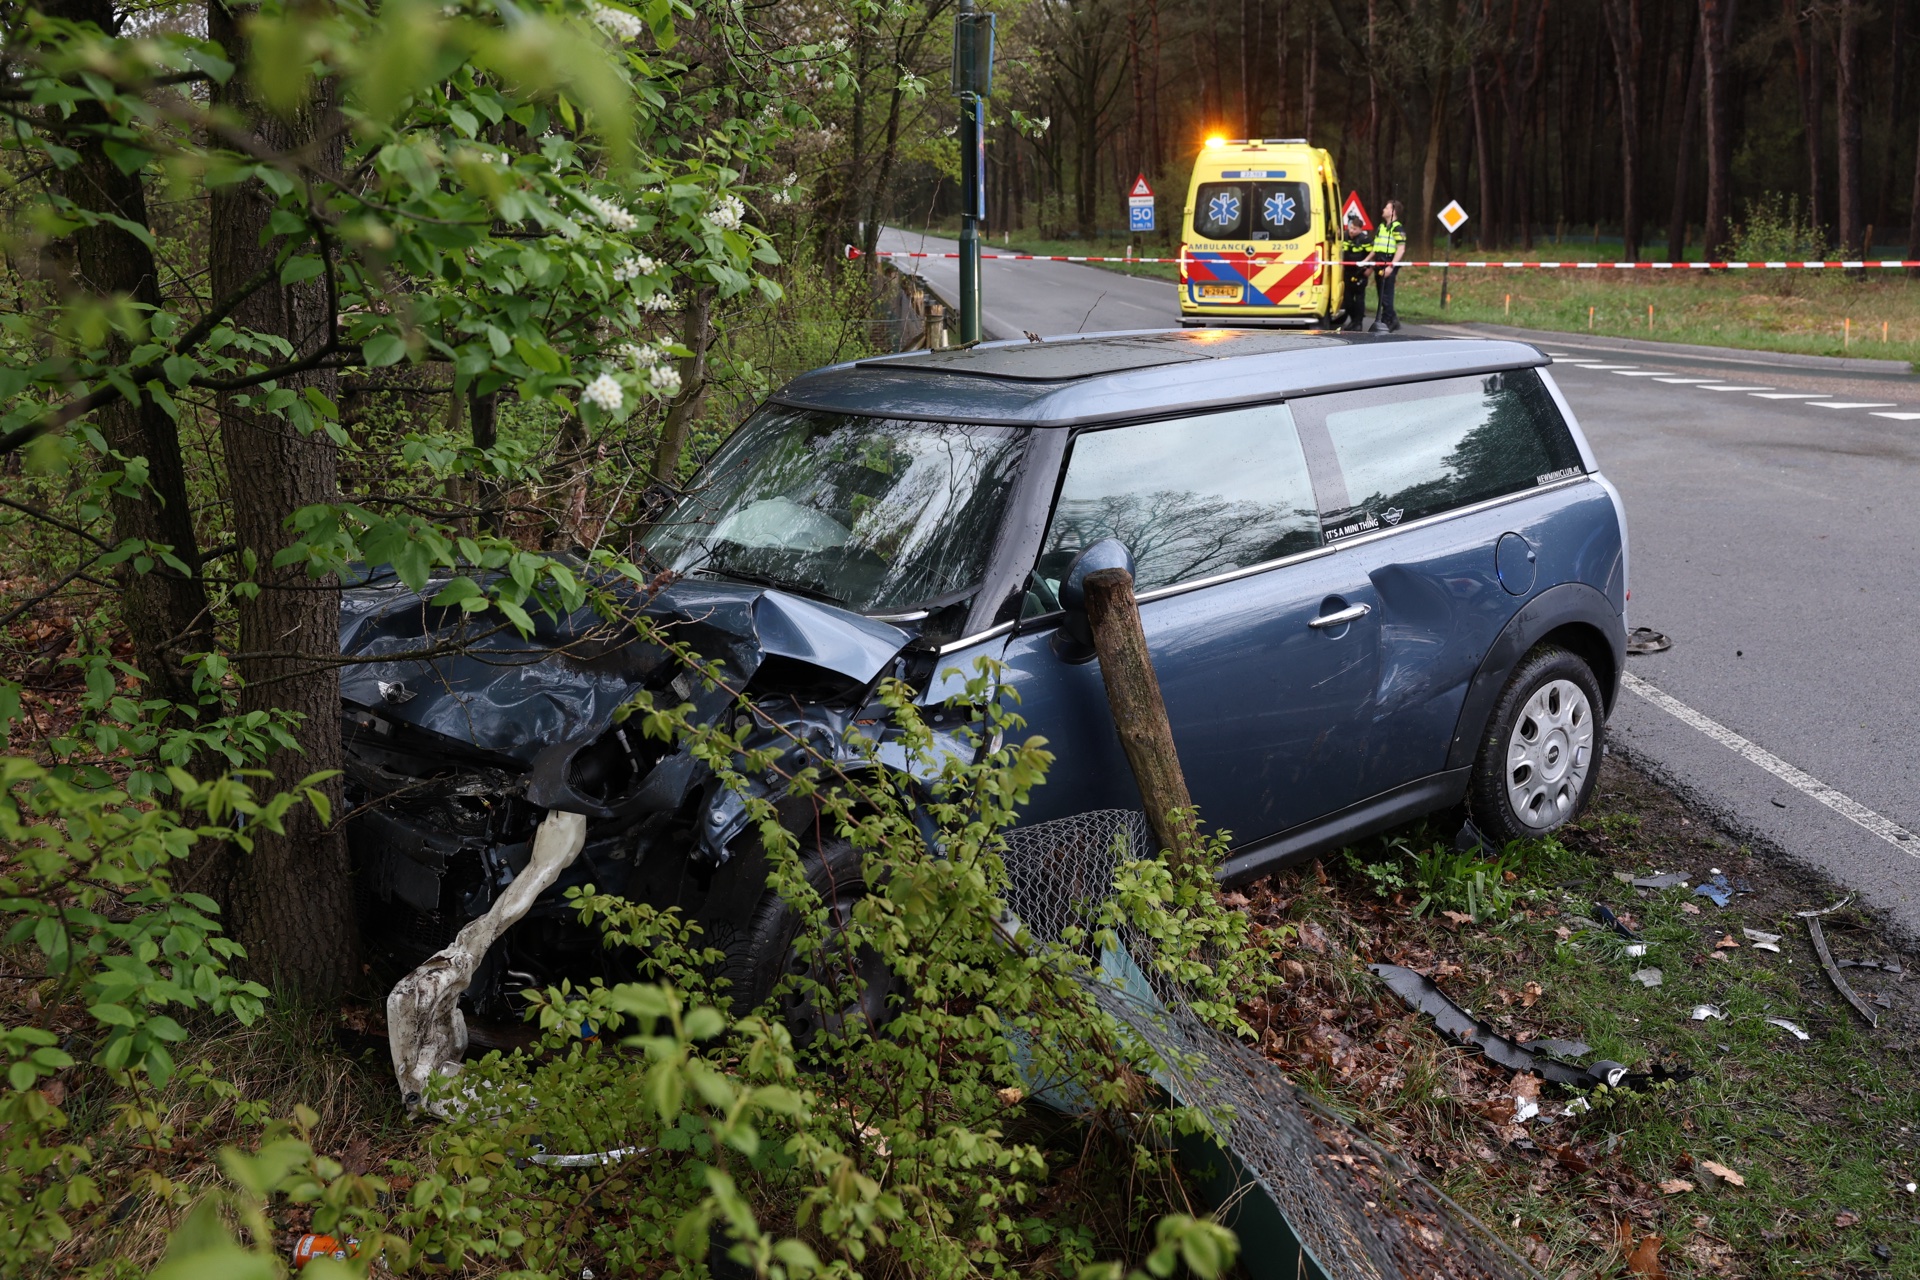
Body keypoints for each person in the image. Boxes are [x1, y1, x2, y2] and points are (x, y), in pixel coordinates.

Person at [1370, 200, 1407, 332]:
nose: (1383, 210)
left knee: (1386, 295)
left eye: (1386, 208)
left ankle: (1388, 321)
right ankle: (1392, 319)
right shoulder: (1382, 227)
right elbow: (1375, 247)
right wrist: (1366, 261)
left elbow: (1401, 249)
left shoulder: (1397, 228)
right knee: (1381, 294)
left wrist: (1391, 266)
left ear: (1393, 211)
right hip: (1379, 263)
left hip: (1388, 264)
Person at [1338, 212, 1373, 331]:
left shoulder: (1365, 240)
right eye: (1351, 228)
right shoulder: (1345, 236)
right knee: (1347, 299)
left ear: (1360, 229)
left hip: (1360, 273)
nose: (1352, 231)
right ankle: (1353, 320)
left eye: (1355, 229)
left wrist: (1370, 269)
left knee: (1359, 299)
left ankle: (1358, 323)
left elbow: (1372, 255)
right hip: (1347, 272)